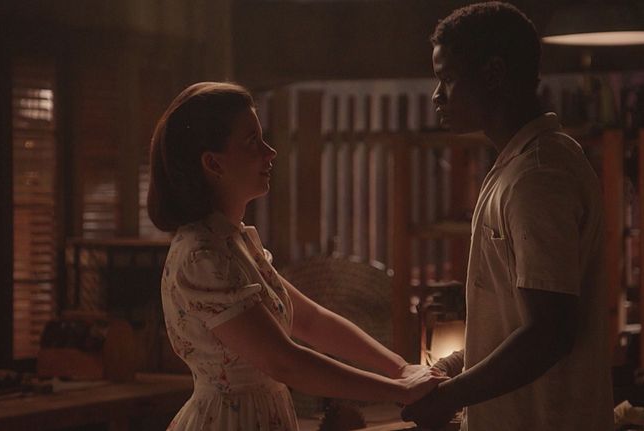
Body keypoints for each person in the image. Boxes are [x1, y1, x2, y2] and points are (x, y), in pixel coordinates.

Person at [148, 82, 445, 430]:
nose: (270, 152)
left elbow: (311, 321)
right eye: (252, 141)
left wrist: (400, 368)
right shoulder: (202, 256)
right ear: (213, 163)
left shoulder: (235, 242)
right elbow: (284, 362)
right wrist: (399, 391)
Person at [401, 2, 614, 430]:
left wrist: (450, 397)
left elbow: (549, 334)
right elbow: (517, 324)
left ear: (494, 74)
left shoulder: (538, 177)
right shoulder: (517, 166)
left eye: (448, 78)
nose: (437, 95)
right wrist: (453, 366)